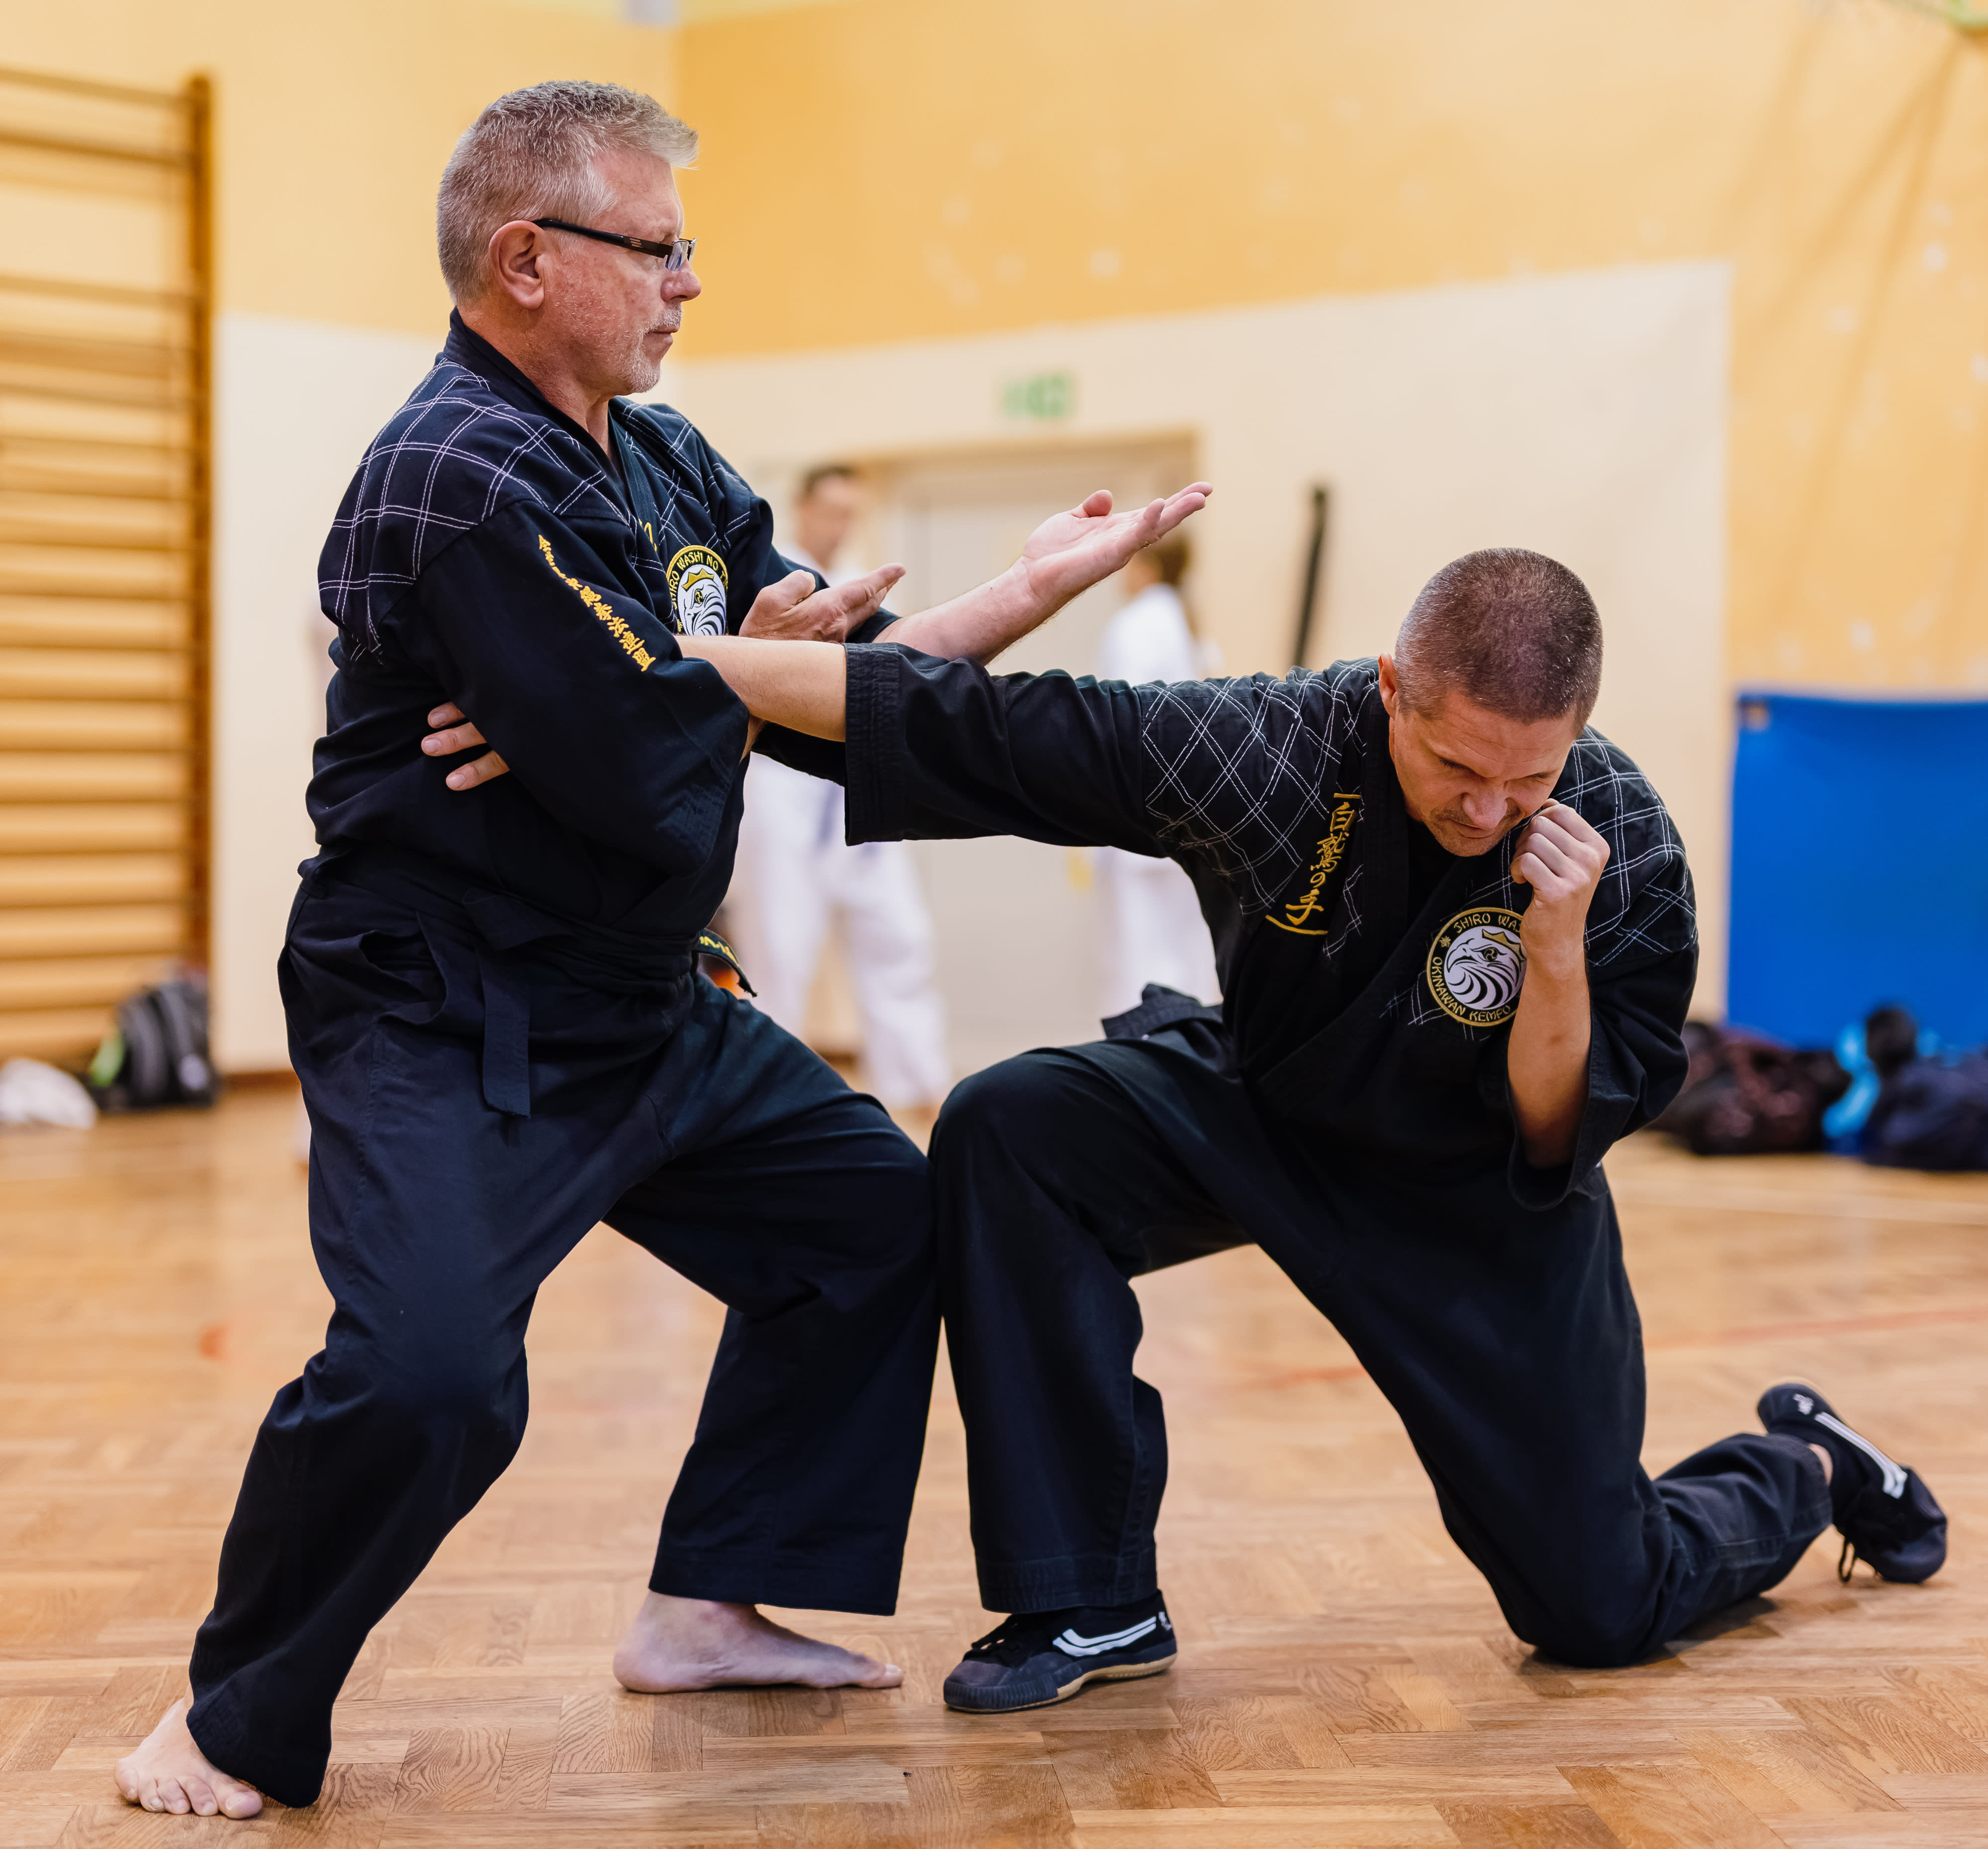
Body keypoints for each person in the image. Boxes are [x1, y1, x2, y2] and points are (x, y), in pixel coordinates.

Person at [113, 79, 1208, 1819]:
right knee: (432, 1377)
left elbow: (818, 693)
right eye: (657, 248)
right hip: (447, 1005)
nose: (688, 282)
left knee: (874, 1222)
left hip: (643, 997)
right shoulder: (459, 476)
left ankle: (712, 1601)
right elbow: (643, 772)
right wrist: (706, 686)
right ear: (527, 260)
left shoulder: (669, 457)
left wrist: (1019, 591)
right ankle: (230, 1715)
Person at [601, 546, 1948, 1711]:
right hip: (1266, 1102)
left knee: (1600, 1609)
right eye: (1455, 765)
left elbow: (1555, 1132)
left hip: (1481, 1191)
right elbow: (983, 728)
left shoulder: (1627, 848)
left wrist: (1554, 949)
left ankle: (1810, 1466)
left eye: (1526, 778)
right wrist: (649, 665)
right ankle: (1092, 1599)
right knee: (1013, 1126)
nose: (1488, 809)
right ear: (1391, 689)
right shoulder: (1275, 748)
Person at [732, 464, 950, 1117]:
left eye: (850, 513)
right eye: (830, 510)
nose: (839, 525)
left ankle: (917, 1091)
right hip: (785, 801)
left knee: (901, 939)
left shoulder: (859, 579)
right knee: (780, 955)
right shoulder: (771, 578)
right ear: (802, 509)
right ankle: (765, 1106)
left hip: (860, 798)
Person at [1092, 536, 1220, 1017]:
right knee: (1185, 953)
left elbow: (1123, 719)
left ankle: (1144, 1052)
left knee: (1139, 959)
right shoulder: (1188, 627)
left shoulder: (1136, 625)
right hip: (1187, 814)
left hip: (1138, 810)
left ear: (1145, 566)